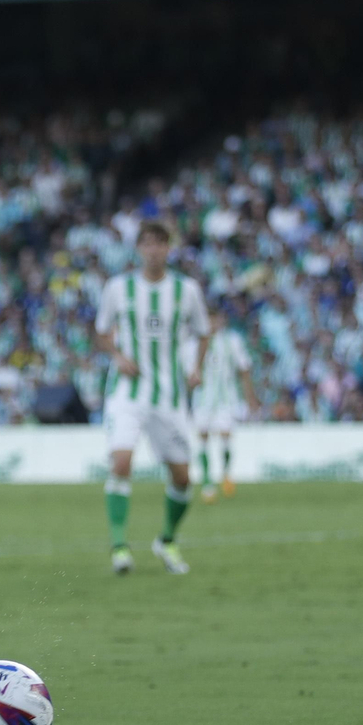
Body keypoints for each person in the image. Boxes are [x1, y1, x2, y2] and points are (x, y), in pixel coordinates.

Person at [95, 220, 211, 575]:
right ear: (138, 249)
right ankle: (119, 548)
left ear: (169, 248)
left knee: (181, 478)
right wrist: (118, 356)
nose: (153, 249)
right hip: (127, 393)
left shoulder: (186, 290)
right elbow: (101, 333)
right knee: (121, 462)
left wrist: (196, 369)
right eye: (147, 243)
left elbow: (203, 333)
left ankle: (167, 540)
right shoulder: (119, 288)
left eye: (160, 243)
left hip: (169, 396)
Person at [192, 307, 257, 502]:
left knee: (226, 436)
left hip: (227, 398)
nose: (212, 324)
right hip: (202, 398)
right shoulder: (193, 343)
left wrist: (250, 397)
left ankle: (226, 475)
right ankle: (206, 483)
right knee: (202, 436)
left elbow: (244, 369)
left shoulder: (232, 341)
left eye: (215, 319)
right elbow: (189, 373)